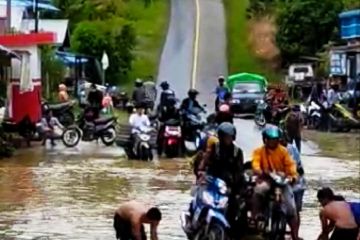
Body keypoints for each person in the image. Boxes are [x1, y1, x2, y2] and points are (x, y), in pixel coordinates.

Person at [251, 125, 300, 240]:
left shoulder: (283, 151)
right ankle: (256, 216)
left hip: (282, 181)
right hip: (266, 178)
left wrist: (292, 176)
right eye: (271, 140)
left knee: (292, 208)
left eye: (275, 140)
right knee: (259, 191)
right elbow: (255, 164)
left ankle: (295, 235)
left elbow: (291, 165)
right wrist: (260, 171)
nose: (273, 142)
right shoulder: (259, 151)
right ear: (265, 140)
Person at [197, 122, 244, 237]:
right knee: (201, 198)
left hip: (229, 185)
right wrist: (201, 171)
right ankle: (197, 223)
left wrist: (234, 185)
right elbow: (205, 160)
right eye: (225, 136)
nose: (228, 139)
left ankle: (232, 232)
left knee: (235, 207)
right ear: (221, 136)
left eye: (230, 137)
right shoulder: (214, 148)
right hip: (212, 181)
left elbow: (239, 170)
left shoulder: (237, 152)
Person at [281, 131, 306, 234]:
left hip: (297, 185)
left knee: (295, 211)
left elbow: (294, 167)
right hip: (283, 183)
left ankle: (295, 234)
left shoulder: (291, 149)